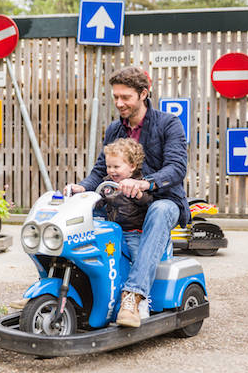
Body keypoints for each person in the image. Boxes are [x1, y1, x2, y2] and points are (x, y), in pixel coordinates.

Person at [68, 66, 190, 327]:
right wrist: (82, 188)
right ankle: (62, 287)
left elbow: (177, 168)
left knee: (159, 212)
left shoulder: (168, 124)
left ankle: (133, 297)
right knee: (85, 210)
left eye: (126, 97)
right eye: (115, 97)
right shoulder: (115, 129)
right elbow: (101, 170)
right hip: (123, 202)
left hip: (162, 200)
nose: (119, 103)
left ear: (143, 94)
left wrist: (146, 184)